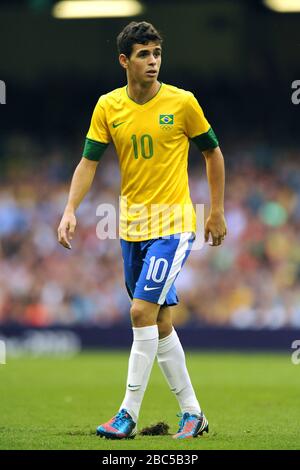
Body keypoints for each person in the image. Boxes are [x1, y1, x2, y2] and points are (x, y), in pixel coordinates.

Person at [58, 21, 227, 440]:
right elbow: (88, 162)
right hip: (130, 227)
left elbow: (213, 153)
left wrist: (216, 211)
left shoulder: (182, 102)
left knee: (139, 312)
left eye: (157, 54)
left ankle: (126, 415)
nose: (153, 62)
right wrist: (69, 209)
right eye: (143, 55)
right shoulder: (108, 107)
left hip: (173, 226)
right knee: (160, 320)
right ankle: (194, 414)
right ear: (124, 60)